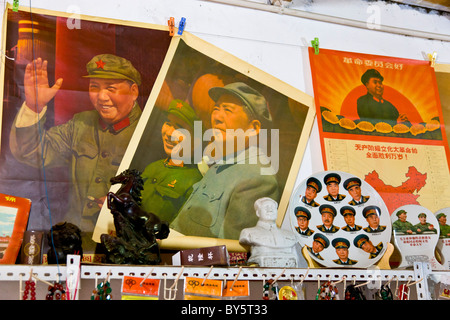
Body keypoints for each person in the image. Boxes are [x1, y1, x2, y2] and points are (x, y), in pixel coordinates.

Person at [10, 54, 142, 248]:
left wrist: (127, 208)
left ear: (133, 91)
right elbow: (31, 151)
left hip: (124, 248)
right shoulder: (80, 124)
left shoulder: (151, 130)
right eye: (94, 87)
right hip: (75, 245)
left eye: (111, 88)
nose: (101, 97)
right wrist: (34, 106)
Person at [171, 82, 279, 240]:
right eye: (216, 109)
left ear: (253, 128)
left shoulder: (258, 178)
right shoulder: (223, 162)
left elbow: (227, 252)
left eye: (227, 110)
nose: (217, 117)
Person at [140, 99, 203, 224]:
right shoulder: (153, 166)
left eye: (179, 128)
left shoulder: (195, 182)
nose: (169, 133)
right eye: (168, 123)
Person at [239, 198, 300, 267]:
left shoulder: (291, 235)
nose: (270, 210)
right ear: (258, 213)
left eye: (272, 207)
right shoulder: (248, 233)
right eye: (266, 207)